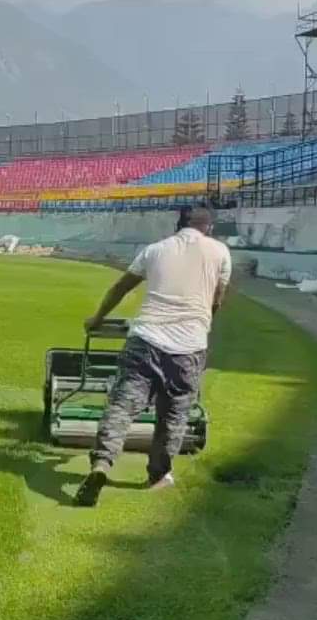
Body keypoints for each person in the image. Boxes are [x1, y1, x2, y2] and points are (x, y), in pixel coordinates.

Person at [74, 206, 232, 507]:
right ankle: (158, 476)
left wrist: (98, 318)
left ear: (179, 224)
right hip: (188, 348)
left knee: (122, 406)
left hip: (145, 340)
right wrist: (201, 325)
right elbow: (216, 300)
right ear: (208, 227)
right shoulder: (220, 252)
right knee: (173, 415)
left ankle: (102, 464)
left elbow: (121, 287)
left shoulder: (155, 250)